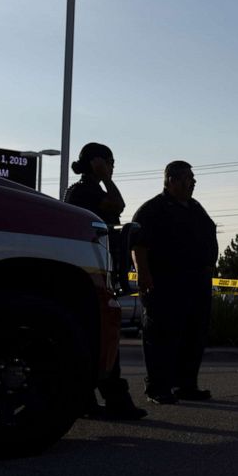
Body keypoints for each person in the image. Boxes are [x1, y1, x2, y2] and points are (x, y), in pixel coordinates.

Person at [64, 142, 147, 420]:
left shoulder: (89, 190)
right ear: (97, 162)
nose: (112, 167)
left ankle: (85, 399)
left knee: (93, 333)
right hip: (89, 270)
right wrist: (108, 178)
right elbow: (118, 205)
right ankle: (115, 399)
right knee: (102, 332)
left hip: (93, 269)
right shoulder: (84, 190)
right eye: (110, 162)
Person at [131, 161, 217, 404]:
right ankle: (158, 387)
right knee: (161, 336)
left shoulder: (195, 207)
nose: (193, 183)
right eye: (189, 178)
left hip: (196, 284)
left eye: (193, 178)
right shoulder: (152, 209)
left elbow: (209, 234)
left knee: (193, 335)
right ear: (172, 180)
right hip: (164, 284)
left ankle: (186, 385)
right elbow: (138, 245)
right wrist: (143, 273)